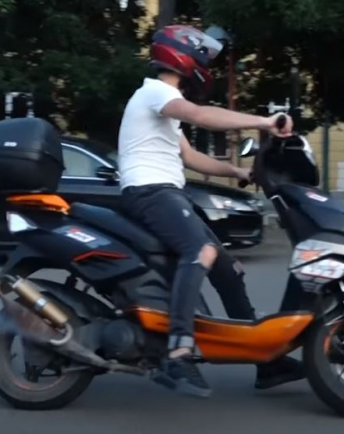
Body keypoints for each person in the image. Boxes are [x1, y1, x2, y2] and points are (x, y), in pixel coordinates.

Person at [117, 25, 300, 398]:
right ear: (183, 55)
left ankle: (265, 360)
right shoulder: (156, 92)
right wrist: (264, 121)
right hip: (148, 191)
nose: (205, 65)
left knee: (228, 269)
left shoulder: (165, 105)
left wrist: (237, 172)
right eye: (202, 57)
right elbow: (201, 115)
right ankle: (178, 352)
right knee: (199, 251)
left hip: (166, 192)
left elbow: (189, 157)